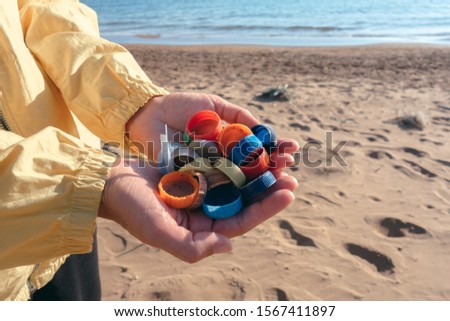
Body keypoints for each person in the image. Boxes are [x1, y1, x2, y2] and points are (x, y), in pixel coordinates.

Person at [0, 0, 299, 301]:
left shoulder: (85, 191)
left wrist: (137, 107)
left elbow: (48, 13)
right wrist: (90, 182)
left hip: (67, 213)